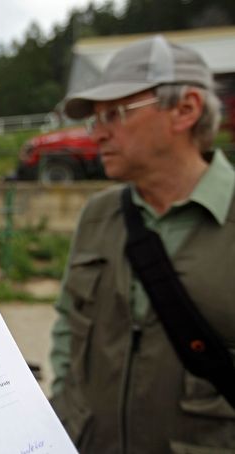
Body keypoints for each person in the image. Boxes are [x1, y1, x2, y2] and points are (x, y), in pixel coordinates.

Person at [49, 35, 235, 453]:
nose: (98, 134)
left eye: (115, 113)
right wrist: (63, 411)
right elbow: (67, 327)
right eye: (96, 119)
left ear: (185, 110)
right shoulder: (98, 216)